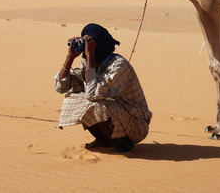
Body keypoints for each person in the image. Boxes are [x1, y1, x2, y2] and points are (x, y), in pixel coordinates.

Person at [55, 23, 151, 152]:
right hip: (119, 115)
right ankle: (104, 140)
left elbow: (92, 94)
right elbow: (61, 87)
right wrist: (70, 57)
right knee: (73, 99)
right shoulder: (90, 63)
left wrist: (90, 56)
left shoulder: (118, 65)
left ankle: (123, 142)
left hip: (137, 125)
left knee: (95, 104)